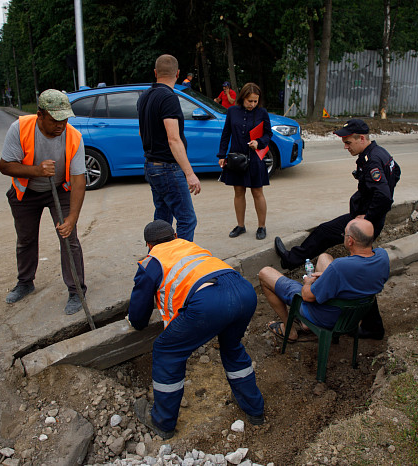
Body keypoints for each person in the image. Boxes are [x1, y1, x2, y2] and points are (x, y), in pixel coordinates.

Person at [129, 220, 264, 439]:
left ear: (148, 244)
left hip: (209, 302)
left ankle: (163, 423)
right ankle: (255, 410)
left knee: (167, 352)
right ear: (174, 236)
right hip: (244, 291)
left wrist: (137, 323)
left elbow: (139, 311)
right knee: (232, 347)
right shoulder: (191, 246)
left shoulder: (152, 261)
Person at [0, 89, 88, 315]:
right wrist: (36, 171)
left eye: (65, 119)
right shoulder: (19, 129)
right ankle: (25, 282)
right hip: (26, 192)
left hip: (60, 189)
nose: (60, 125)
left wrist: (72, 218)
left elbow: (78, 181)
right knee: (26, 239)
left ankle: (76, 290)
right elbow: (5, 165)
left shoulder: (74, 137)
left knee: (69, 239)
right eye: (55, 120)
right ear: (40, 115)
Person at [274, 119, 399, 271]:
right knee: (337, 240)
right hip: (372, 217)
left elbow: (384, 196)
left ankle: (289, 261)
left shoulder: (371, 161)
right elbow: (396, 172)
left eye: (348, 142)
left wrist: (367, 218)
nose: (345, 147)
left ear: (361, 138)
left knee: (323, 232)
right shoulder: (380, 152)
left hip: (367, 220)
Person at [260, 219, 389, 342]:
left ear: (350, 241)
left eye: (344, 234)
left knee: (265, 273)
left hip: (327, 317)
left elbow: (307, 296)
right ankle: (305, 324)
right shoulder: (382, 256)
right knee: (324, 257)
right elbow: (356, 275)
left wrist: (308, 283)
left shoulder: (340, 267)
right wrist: (327, 277)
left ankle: (289, 330)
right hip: (352, 315)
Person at [137, 54, 201, 242]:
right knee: (187, 219)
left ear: (155, 73)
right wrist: (190, 174)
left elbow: (142, 133)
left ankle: (159, 261)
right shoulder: (168, 98)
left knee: (163, 219)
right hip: (167, 168)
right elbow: (173, 139)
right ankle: (180, 264)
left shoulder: (145, 97)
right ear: (178, 74)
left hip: (151, 165)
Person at [217, 82, 272, 240]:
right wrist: (222, 155)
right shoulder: (232, 111)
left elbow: (268, 135)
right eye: (250, 101)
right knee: (239, 192)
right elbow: (226, 134)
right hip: (236, 158)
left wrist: (258, 142)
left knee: (257, 192)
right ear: (243, 98)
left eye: (255, 101)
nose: (252, 104)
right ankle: (240, 226)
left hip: (254, 158)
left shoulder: (262, 112)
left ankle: (261, 226)